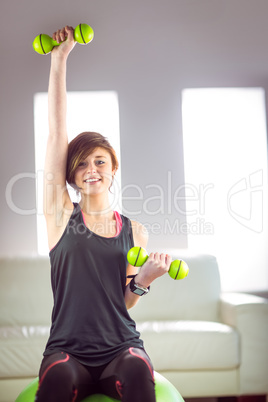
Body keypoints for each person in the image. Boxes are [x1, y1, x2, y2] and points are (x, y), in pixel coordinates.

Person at [35, 25, 172, 402]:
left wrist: (144, 279)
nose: (92, 169)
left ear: (113, 168)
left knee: (139, 371)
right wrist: (59, 59)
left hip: (121, 347)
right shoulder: (60, 215)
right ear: (72, 176)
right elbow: (55, 133)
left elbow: (125, 300)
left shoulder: (135, 231)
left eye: (100, 161)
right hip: (67, 350)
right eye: (82, 164)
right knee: (58, 380)